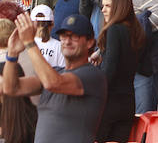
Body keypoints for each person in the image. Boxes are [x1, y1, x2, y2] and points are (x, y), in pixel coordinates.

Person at [2, 12, 107, 143]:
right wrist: (12, 54)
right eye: (63, 36)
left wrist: (30, 43)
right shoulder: (55, 72)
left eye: (74, 36)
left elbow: (53, 83)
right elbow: (11, 88)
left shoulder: (93, 75)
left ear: (90, 42)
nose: (67, 41)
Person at [95, 0, 145, 143]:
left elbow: (110, 68)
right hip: (128, 102)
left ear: (119, 7)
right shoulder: (136, 31)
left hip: (109, 102)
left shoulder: (114, 29)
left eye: (107, 6)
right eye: (103, 6)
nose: (103, 10)